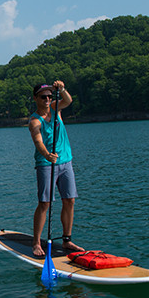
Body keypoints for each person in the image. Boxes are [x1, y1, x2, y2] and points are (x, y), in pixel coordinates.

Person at [29, 81, 85, 257]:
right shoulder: (34, 121)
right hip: (46, 164)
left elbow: (68, 101)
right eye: (43, 96)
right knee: (45, 203)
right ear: (35, 98)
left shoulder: (55, 109)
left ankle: (67, 240)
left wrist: (62, 89)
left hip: (66, 162)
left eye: (49, 96)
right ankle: (36, 243)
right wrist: (47, 155)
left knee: (70, 200)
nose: (47, 99)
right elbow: (38, 141)